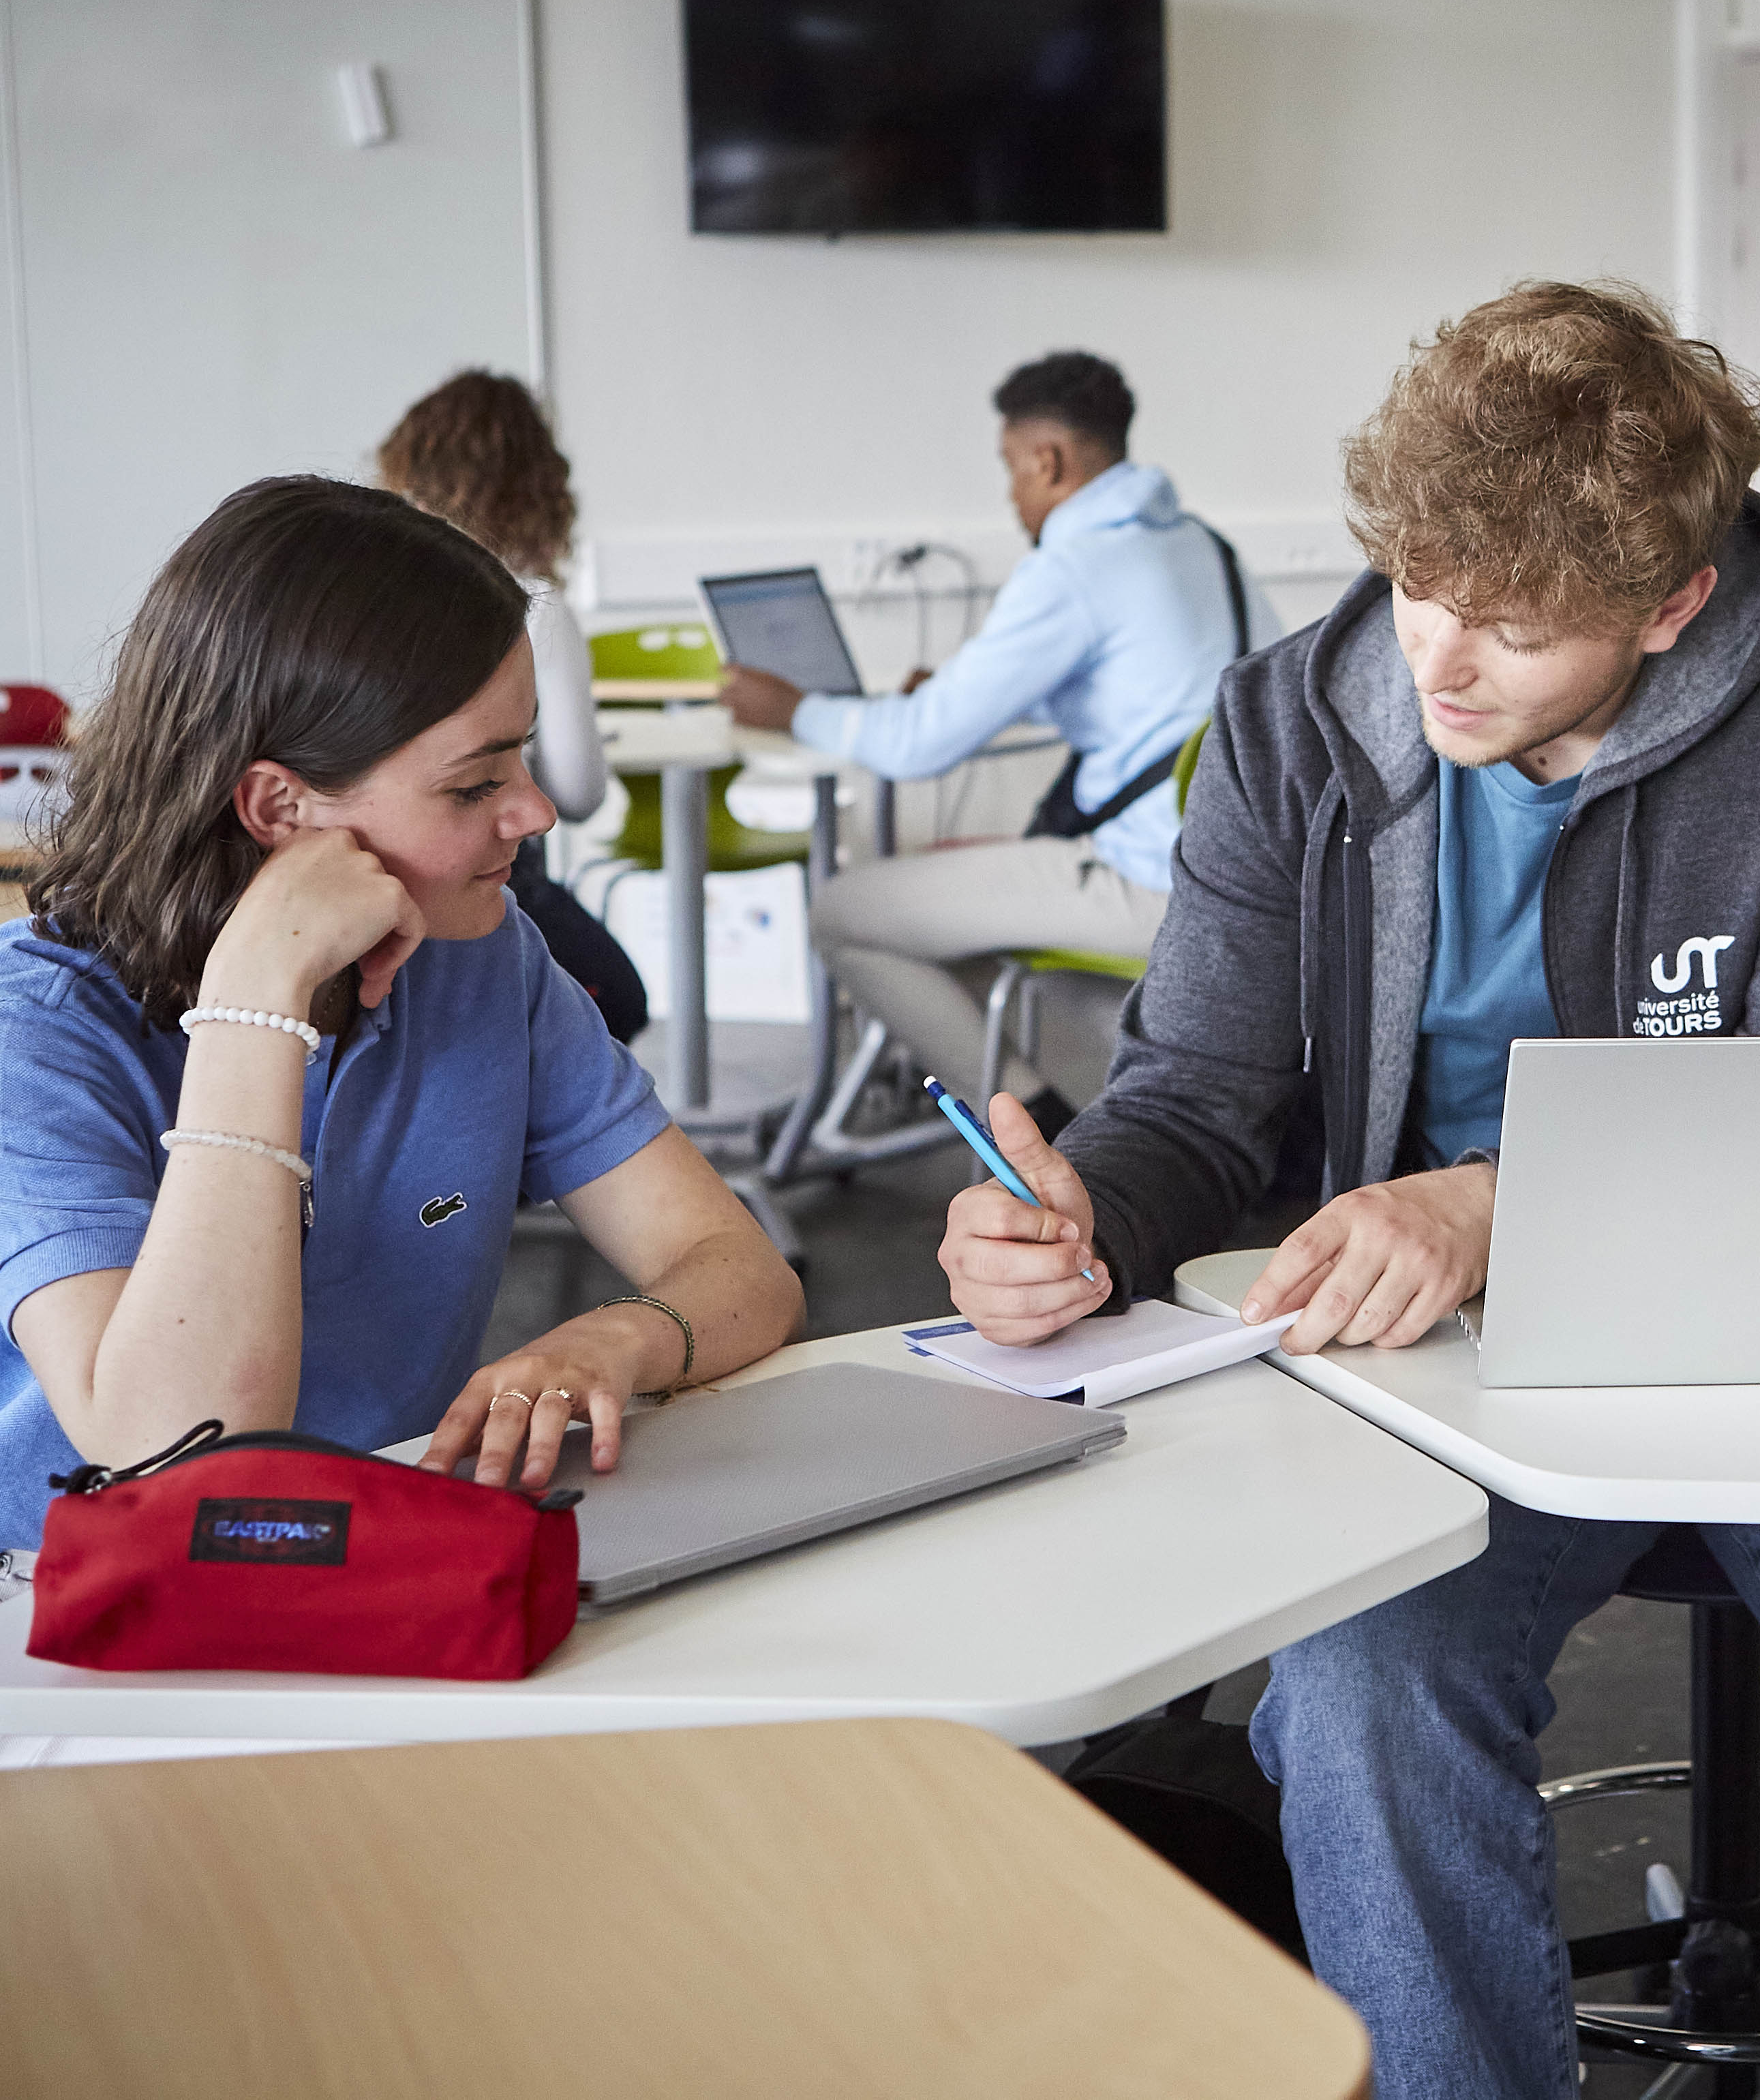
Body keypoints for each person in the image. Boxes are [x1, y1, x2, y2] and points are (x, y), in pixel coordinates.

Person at [935, 282, 1760, 2096]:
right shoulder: (1292, 721)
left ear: (1668, 604)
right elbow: (1202, 1091)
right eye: (1416, 586)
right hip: (1442, 1379)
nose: (1439, 661)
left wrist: (1491, 1202)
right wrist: (1079, 1209)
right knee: (1355, 1711)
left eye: (1515, 627)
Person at [0, 477, 804, 1552]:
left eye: (521, 753)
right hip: (82, 1621)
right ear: (280, 810)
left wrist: (617, 1341)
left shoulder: (485, 955)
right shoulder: (37, 1029)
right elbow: (179, 1460)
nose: (535, 811)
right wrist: (258, 1005)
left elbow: (736, 1264)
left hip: (380, 1565)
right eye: (474, 786)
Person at [720, 351, 1273, 1134]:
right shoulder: (1201, 545)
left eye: (1012, 469)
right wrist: (955, 694)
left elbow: (916, 748)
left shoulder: (1074, 566)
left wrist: (796, 708)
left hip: (1149, 882)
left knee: (843, 911)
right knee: (953, 904)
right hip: (1242, 876)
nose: (1013, 495)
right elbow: (1157, 698)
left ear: (1047, 460)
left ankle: (1036, 1124)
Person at [376, 369, 650, 1044]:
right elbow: (579, 796)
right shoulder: (536, 607)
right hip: (493, 887)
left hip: (387, 887)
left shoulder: (378, 602)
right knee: (621, 999)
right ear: (540, 489)